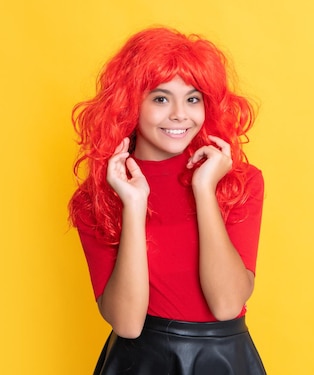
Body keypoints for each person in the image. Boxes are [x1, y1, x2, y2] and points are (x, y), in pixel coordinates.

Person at [69, 26, 266, 374]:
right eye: (161, 98)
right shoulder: (96, 198)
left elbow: (227, 304)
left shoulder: (239, 182)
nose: (179, 114)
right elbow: (128, 325)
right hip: (140, 362)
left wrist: (204, 189)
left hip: (224, 361)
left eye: (193, 99)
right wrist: (133, 206)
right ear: (130, 103)